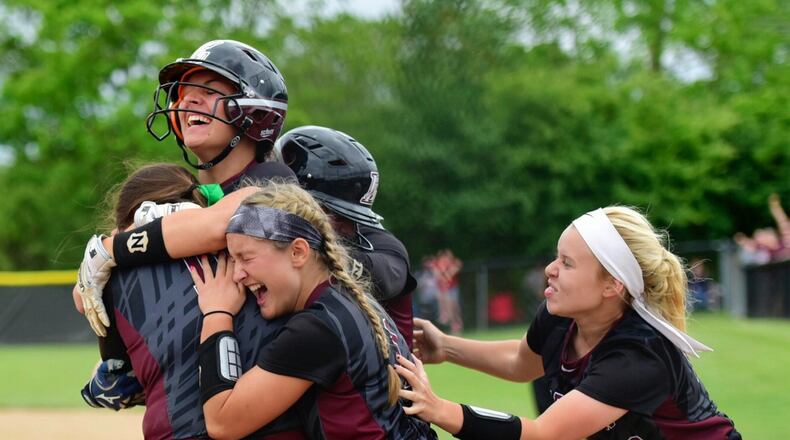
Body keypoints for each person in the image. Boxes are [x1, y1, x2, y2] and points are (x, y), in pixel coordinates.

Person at [75, 40, 305, 439]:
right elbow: (84, 297)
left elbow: (220, 224)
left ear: (254, 113)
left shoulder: (276, 182)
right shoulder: (189, 201)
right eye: (183, 94)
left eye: (210, 91)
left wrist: (111, 250)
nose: (189, 101)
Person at [396, 206, 741, 439]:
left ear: (612, 285)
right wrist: (448, 346)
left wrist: (440, 409)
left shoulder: (639, 355)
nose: (550, 269)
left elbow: (543, 435)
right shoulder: (562, 317)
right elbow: (521, 362)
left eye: (568, 263)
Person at [189, 181, 436, 439]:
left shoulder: (318, 327)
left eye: (246, 258)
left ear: (298, 252)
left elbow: (223, 422)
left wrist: (217, 314)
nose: (237, 274)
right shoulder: (348, 302)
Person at [275, 125, 418, 347]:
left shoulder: (382, 243)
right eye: (334, 213)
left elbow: (386, 276)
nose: (348, 228)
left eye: (350, 215)